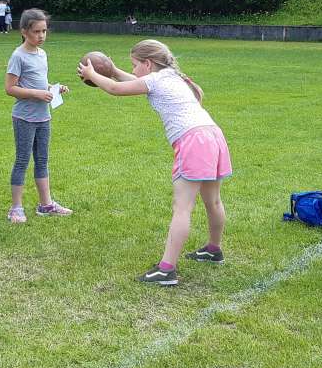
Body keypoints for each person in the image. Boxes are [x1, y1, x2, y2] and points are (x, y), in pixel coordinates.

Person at [78, 39, 231, 286]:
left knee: (182, 207)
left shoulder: (156, 80)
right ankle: (214, 249)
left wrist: (92, 74)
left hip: (192, 140)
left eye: (135, 65)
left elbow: (117, 90)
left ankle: (166, 270)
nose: (134, 69)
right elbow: (136, 81)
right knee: (212, 200)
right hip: (212, 134)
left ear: (148, 64)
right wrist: (114, 70)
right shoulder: (171, 76)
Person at [4, 9, 71, 223]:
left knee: (42, 161)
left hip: (44, 117)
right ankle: (16, 208)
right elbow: (10, 88)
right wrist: (36, 94)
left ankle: (46, 204)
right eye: (36, 31)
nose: (41, 36)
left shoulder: (42, 54)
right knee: (23, 160)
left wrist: (54, 88)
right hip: (24, 118)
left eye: (44, 31)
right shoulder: (18, 56)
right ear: (24, 31)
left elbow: (41, 83)